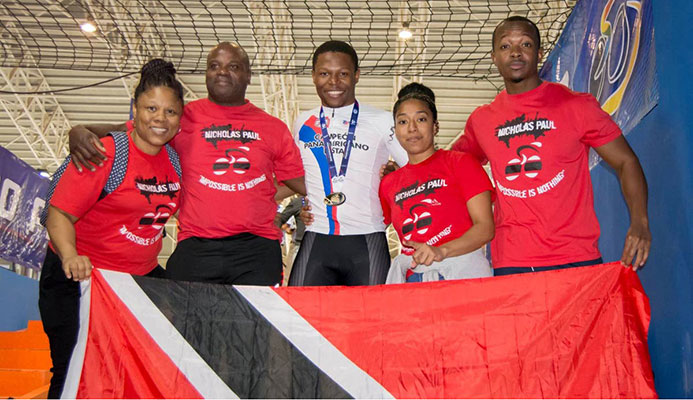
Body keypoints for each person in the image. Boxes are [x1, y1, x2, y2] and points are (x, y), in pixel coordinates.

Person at [67, 42, 306, 285]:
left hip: (257, 248)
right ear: (206, 74)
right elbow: (126, 130)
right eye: (214, 66)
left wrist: (337, 194)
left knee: (253, 323)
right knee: (185, 321)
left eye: (232, 66)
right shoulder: (182, 117)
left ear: (248, 75)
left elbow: (298, 180)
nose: (222, 72)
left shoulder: (274, 128)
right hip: (196, 245)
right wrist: (80, 130)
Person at [451, 16, 651, 275]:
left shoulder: (576, 106)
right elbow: (446, 166)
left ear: (539, 54)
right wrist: (401, 170)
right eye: (505, 46)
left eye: (525, 44)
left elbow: (626, 162)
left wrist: (640, 222)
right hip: (511, 261)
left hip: (575, 256)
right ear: (494, 58)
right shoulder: (481, 120)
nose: (515, 52)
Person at [38, 59, 184, 398]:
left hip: (136, 282)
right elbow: (59, 213)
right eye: (151, 108)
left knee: (137, 366)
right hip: (80, 282)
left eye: (170, 112)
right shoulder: (105, 153)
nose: (160, 119)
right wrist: (71, 256)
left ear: (180, 117)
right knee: (73, 367)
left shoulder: (174, 161)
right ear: (135, 109)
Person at [288, 40, 409, 286]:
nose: (333, 82)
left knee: (372, 322)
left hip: (367, 239)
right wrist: (303, 202)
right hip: (317, 236)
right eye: (324, 74)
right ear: (313, 76)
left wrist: (394, 178)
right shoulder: (302, 122)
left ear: (356, 75)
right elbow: (297, 176)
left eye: (342, 74)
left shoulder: (382, 120)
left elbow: (416, 167)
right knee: (298, 319)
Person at [380, 83, 495, 283]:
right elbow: (367, 223)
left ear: (435, 126)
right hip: (412, 281)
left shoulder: (461, 163)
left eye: (421, 119)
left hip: (462, 275)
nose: (412, 128)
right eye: (403, 122)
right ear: (396, 131)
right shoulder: (389, 183)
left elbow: (485, 227)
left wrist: (442, 250)